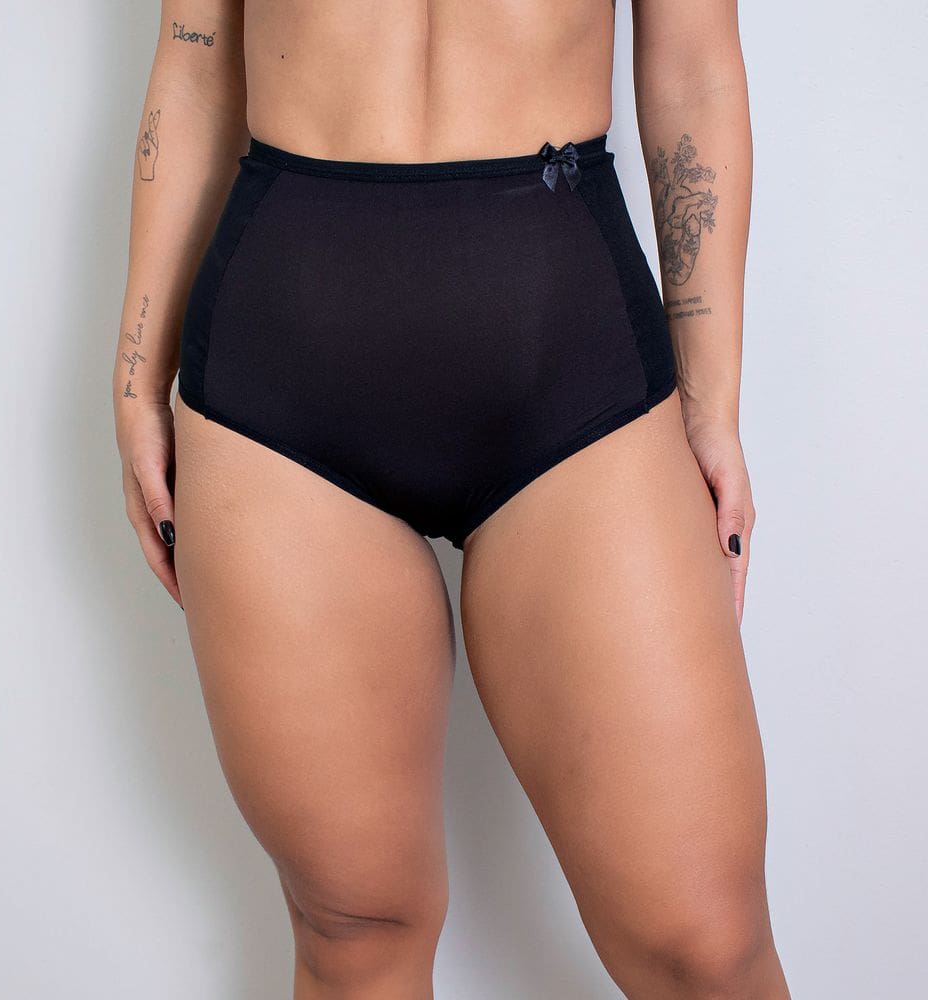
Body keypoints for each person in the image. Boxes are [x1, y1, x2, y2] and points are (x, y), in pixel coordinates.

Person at [113, 1, 791, 997]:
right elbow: (196, 55)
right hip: (281, 365)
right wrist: (137, 376)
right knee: (354, 930)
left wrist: (712, 402)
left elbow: (694, 65)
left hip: (569, 351)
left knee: (705, 944)